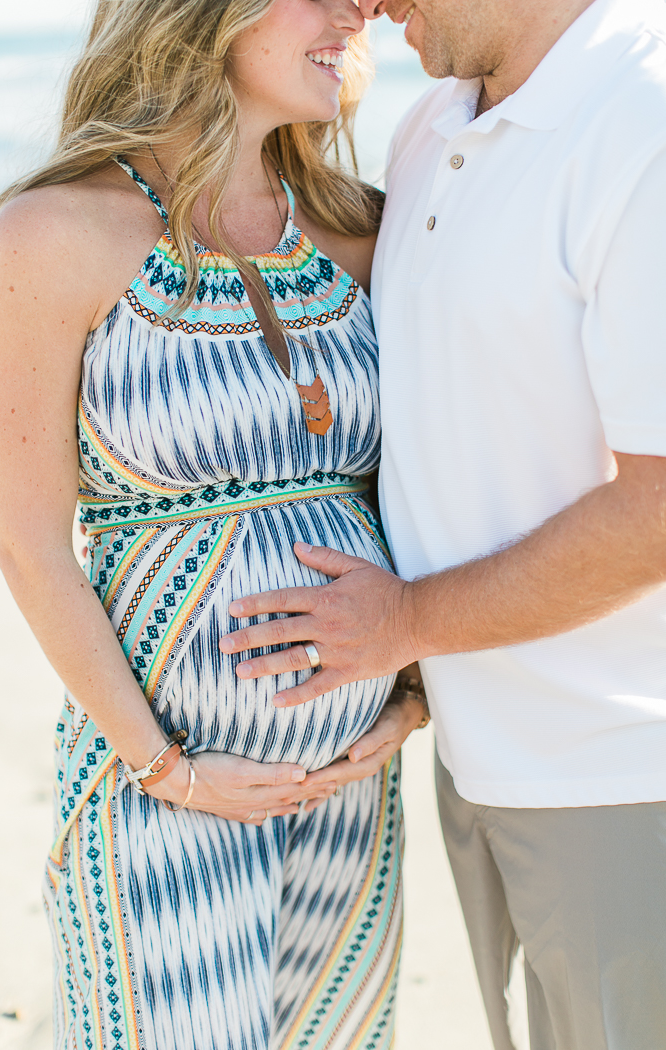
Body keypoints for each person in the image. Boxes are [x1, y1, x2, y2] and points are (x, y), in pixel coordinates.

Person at [0, 1, 429, 1046]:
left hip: (349, 786)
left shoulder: (362, 230)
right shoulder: (55, 233)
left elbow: (431, 490)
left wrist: (411, 696)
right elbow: (30, 547)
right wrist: (165, 766)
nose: (359, 8)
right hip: (160, 789)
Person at [220, 0, 666, 1045]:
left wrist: (403, 624)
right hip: (477, 764)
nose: (365, 3)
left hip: (621, 771)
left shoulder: (641, 118)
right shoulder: (436, 124)